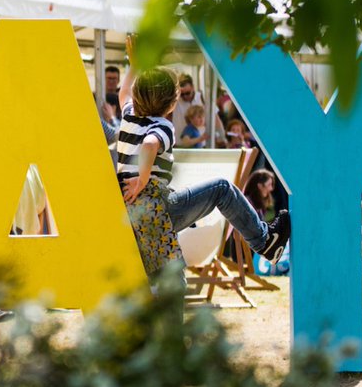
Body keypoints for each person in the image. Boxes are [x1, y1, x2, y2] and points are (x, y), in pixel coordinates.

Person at [117, 66, 290, 279]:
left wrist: (134, 65)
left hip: (129, 210)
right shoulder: (162, 126)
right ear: (172, 104)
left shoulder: (128, 117)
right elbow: (150, 144)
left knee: (165, 283)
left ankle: (265, 242)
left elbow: (123, 92)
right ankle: (264, 242)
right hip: (158, 208)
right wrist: (142, 180)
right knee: (222, 189)